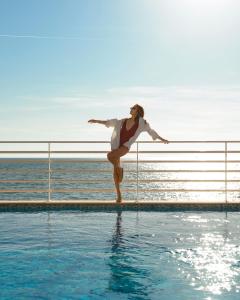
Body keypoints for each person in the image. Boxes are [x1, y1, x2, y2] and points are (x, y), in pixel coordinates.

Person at [88, 104, 169, 203]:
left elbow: (151, 131)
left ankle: (120, 169)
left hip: (125, 147)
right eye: (131, 108)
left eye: (133, 108)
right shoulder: (123, 121)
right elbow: (109, 122)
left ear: (138, 111)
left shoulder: (142, 123)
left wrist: (162, 139)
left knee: (109, 156)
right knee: (115, 172)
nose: (131, 109)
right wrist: (96, 121)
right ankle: (119, 196)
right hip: (116, 146)